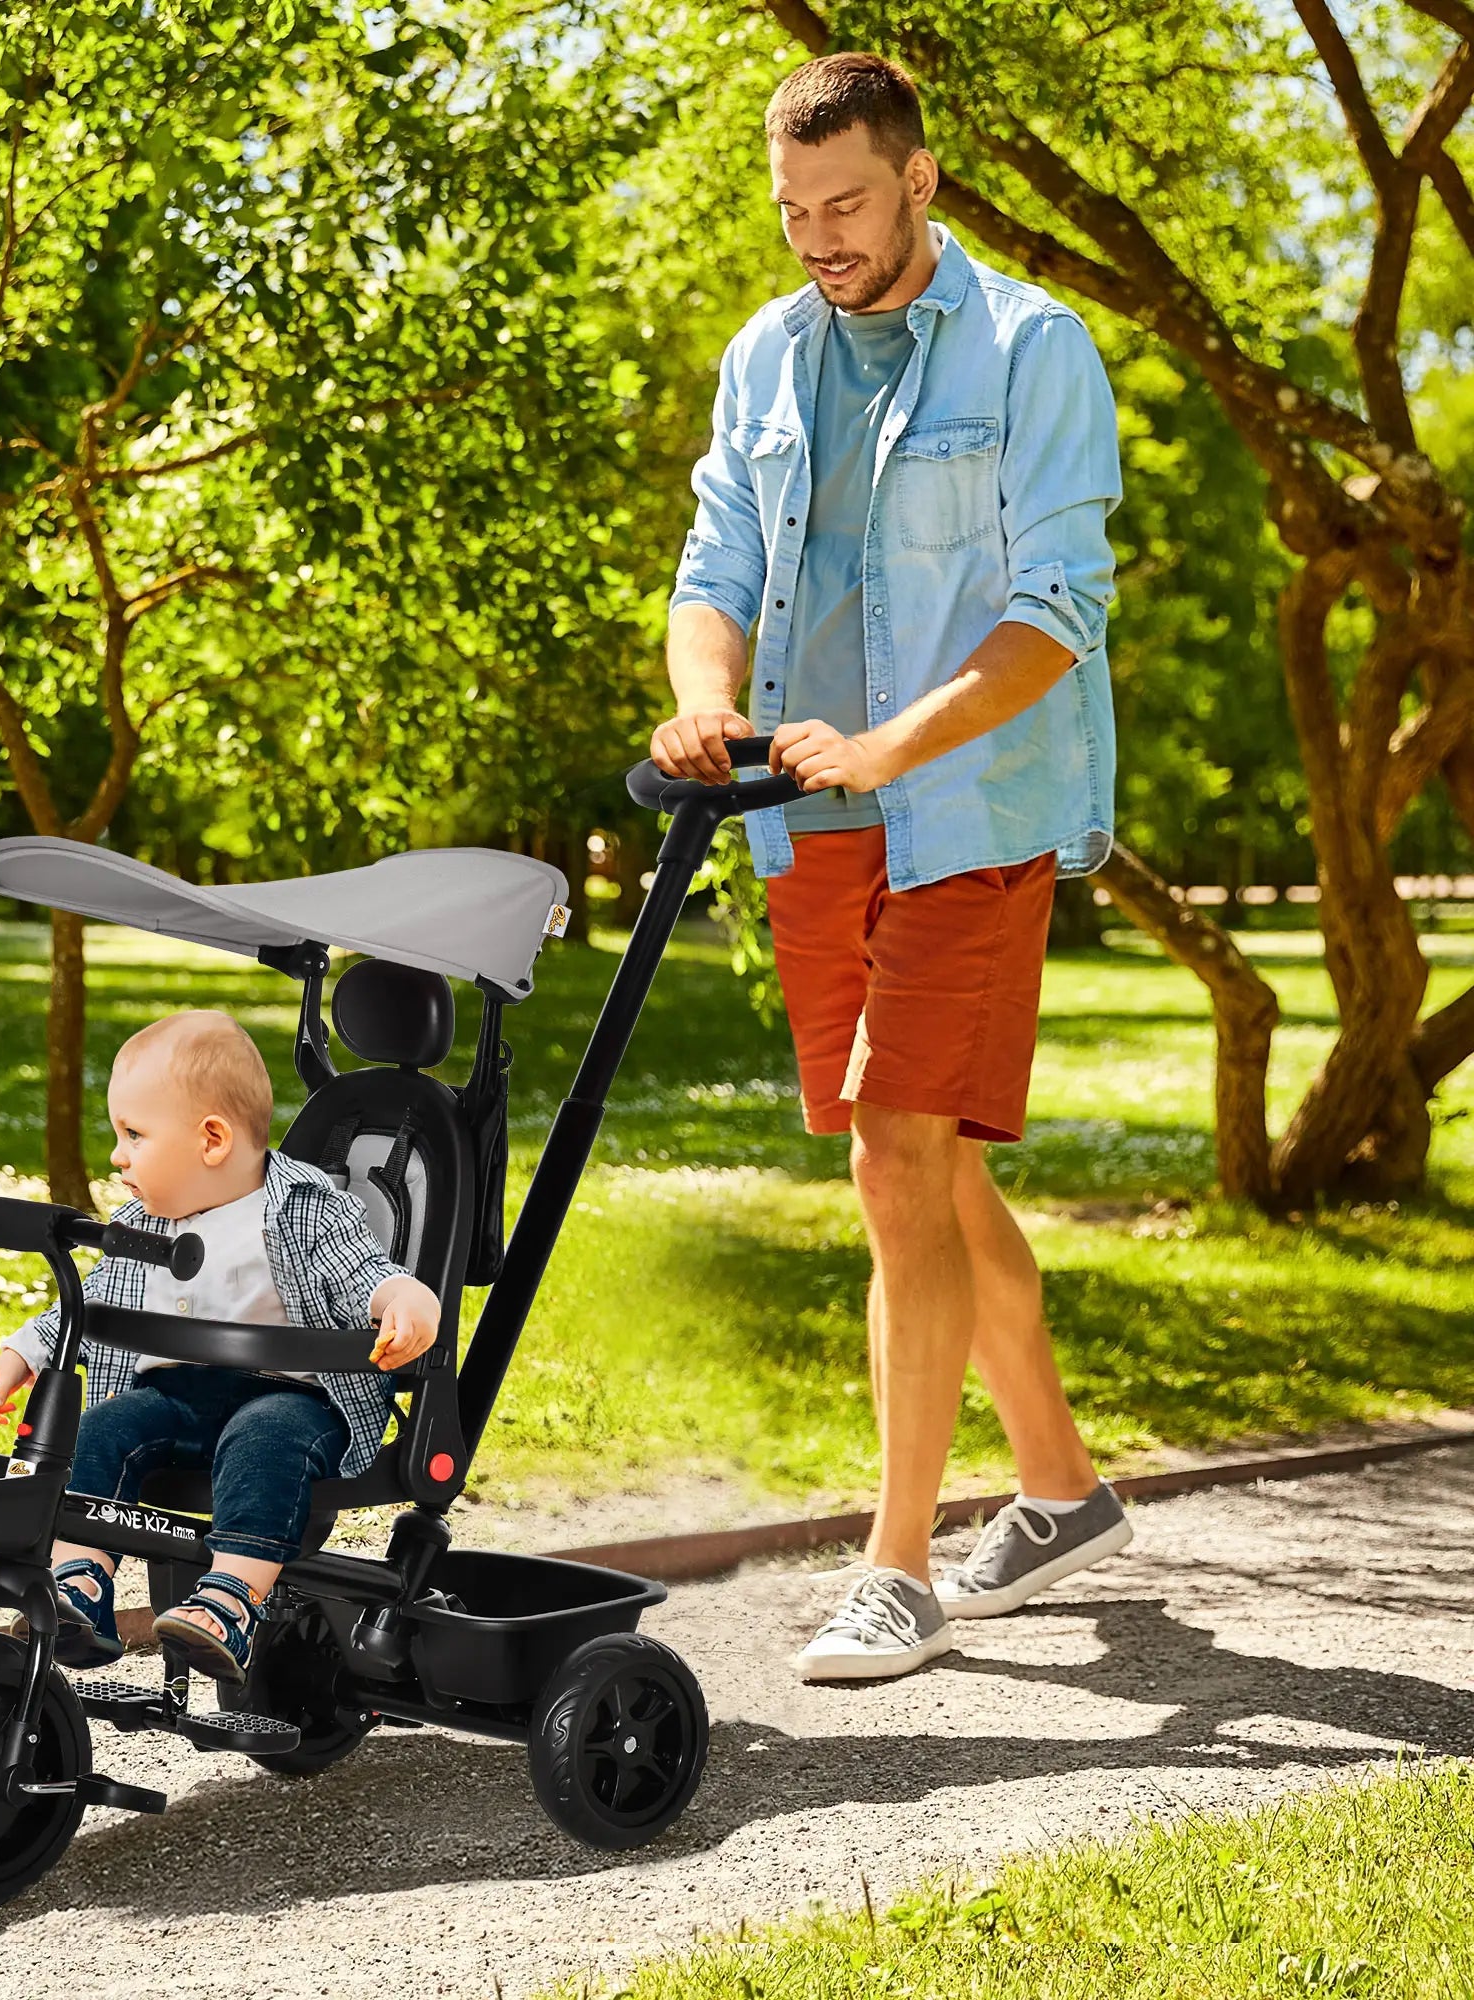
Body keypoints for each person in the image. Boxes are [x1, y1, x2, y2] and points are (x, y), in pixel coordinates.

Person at [652, 52, 1132, 1682]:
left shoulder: (1030, 350)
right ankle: (1060, 1489)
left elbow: (1060, 608)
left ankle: (899, 1565)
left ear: (919, 181)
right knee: (925, 1162)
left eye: (845, 204)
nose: (818, 239)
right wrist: (706, 704)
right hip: (809, 822)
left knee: (891, 1166)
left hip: (970, 815)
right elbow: (717, 561)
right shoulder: (771, 357)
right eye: (793, 213)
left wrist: (888, 747)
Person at [0, 1010, 440, 1681]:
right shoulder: (139, 1224)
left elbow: (364, 1272)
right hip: (177, 1397)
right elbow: (94, 1300)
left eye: (134, 1135)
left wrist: (405, 1301)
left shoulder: (306, 1209)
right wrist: (26, 1352)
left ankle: (230, 1602)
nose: (117, 1155)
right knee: (101, 1429)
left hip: (293, 1398)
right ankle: (79, 1578)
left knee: (263, 1436)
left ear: (212, 1140)